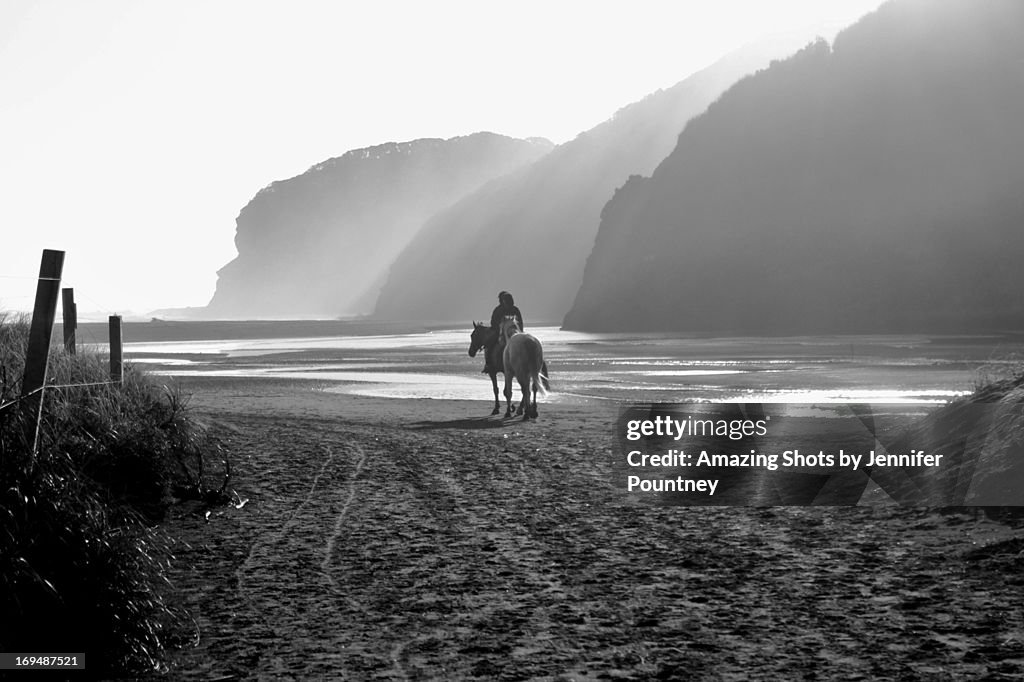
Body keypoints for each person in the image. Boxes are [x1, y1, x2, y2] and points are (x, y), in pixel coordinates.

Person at [482, 291, 524, 373]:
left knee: (489, 344)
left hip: (504, 332)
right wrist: (520, 331)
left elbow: (493, 323)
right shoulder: (514, 309)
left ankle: (488, 364)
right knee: (489, 344)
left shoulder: (499, 310)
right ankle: (489, 364)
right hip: (514, 332)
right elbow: (521, 322)